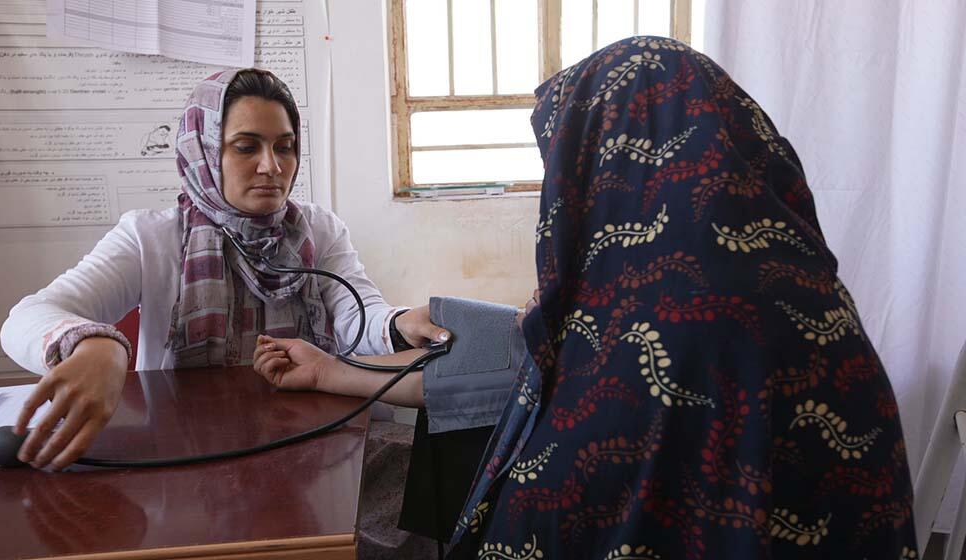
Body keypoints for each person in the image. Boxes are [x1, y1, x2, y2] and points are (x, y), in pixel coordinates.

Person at [254, 37, 918, 558]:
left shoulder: (655, 337)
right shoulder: (809, 302)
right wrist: (330, 371)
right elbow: (485, 370)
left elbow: (555, 497)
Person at [0, 68, 447, 471]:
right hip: (190, 452)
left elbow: (357, 317)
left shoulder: (318, 230)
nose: (272, 167)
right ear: (205, 149)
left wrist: (399, 321)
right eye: (246, 147)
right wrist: (96, 346)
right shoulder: (150, 238)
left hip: (314, 444)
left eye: (285, 147)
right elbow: (28, 315)